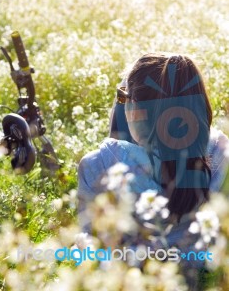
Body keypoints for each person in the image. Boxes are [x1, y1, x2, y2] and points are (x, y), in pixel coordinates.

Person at [77, 53, 229, 247]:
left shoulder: (99, 164)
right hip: (204, 261)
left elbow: (92, 241)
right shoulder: (220, 151)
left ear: (134, 108)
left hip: (131, 270)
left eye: (123, 98)